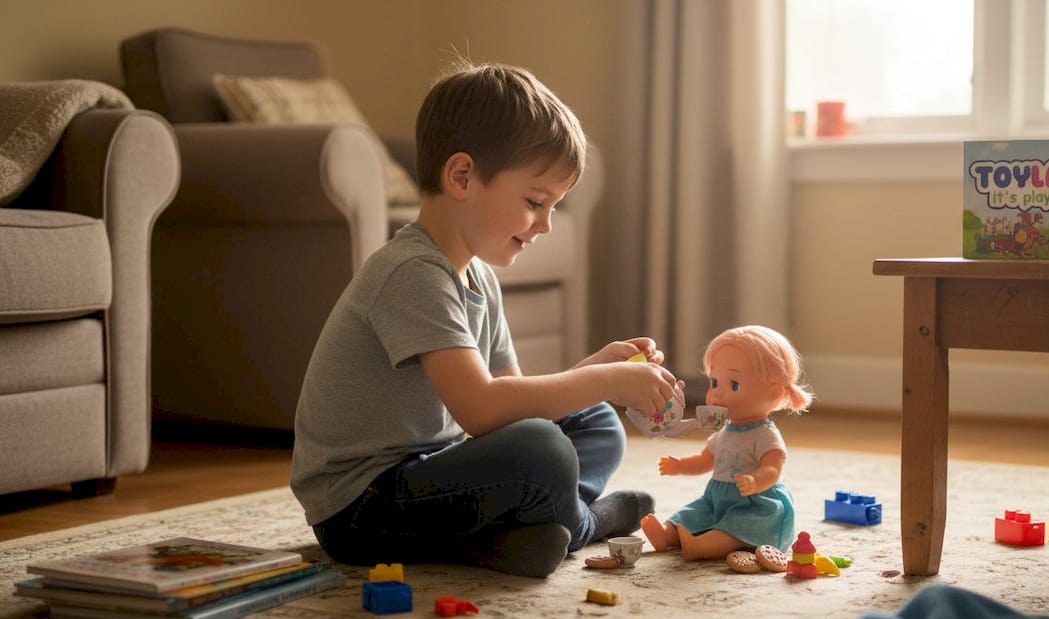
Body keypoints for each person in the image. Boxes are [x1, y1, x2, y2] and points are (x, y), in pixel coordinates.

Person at [289, 61, 676, 578]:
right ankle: (583, 524)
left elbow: (512, 399)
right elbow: (480, 411)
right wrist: (604, 378)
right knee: (542, 449)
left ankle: (507, 539)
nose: (546, 225)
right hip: (362, 511)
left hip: (427, 480)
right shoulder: (411, 272)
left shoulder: (476, 276)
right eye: (536, 202)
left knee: (595, 421)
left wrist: (596, 374)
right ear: (463, 177)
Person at [640, 326, 813, 560]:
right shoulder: (724, 431)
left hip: (756, 504)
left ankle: (702, 547)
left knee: (733, 529)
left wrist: (755, 481)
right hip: (717, 499)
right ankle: (667, 535)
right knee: (694, 513)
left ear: (773, 393)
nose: (717, 394)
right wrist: (680, 465)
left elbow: (773, 468)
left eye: (733, 384)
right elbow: (705, 459)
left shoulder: (764, 435)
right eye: (714, 382)